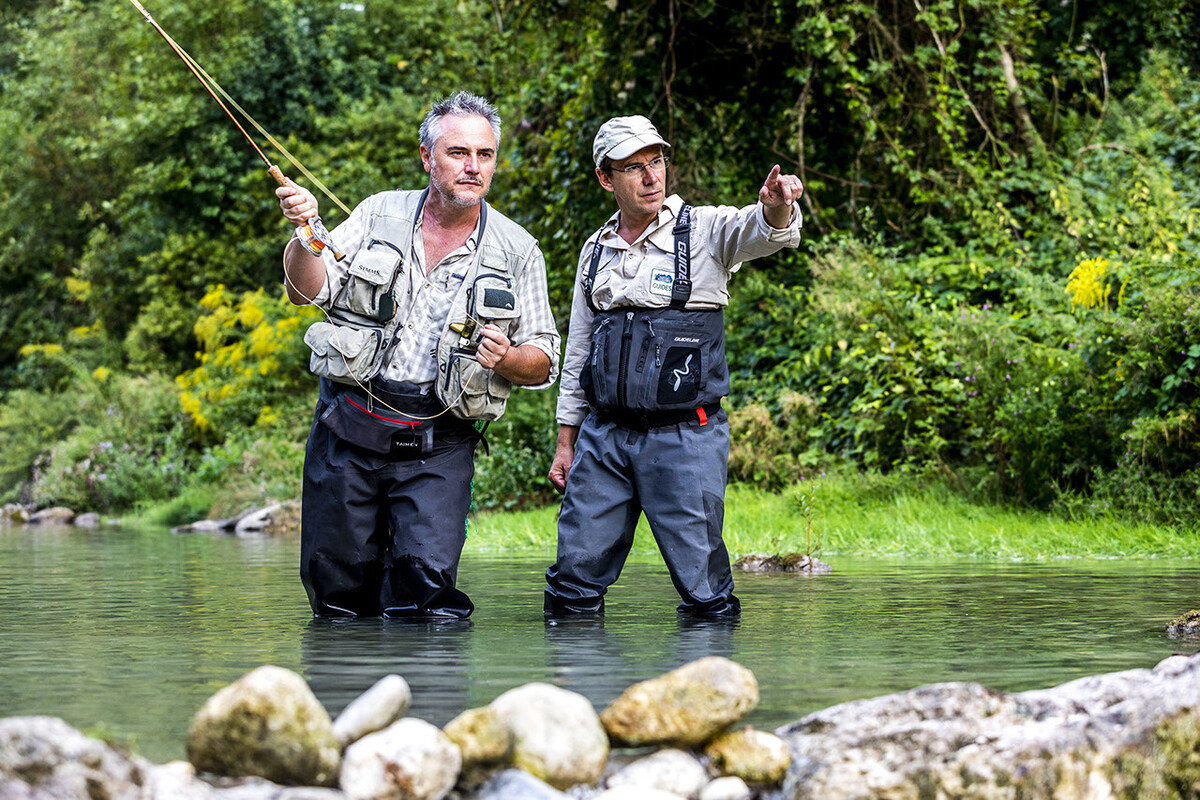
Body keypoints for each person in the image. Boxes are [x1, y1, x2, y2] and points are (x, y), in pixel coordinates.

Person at [276, 91, 560, 619]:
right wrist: (305, 234)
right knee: (337, 599)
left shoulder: (519, 249)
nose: (473, 167)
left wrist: (506, 358)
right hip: (348, 427)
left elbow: (544, 360)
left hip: (440, 443)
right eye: (459, 153)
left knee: (427, 602)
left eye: (485, 155)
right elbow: (304, 290)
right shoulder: (377, 212)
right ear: (428, 157)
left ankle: (421, 675)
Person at [544, 115, 804, 618]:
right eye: (633, 167)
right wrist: (566, 439)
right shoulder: (594, 250)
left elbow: (761, 231)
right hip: (603, 437)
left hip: (686, 437)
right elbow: (579, 350)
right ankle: (576, 668)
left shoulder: (705, 229)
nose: (651, 176)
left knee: (705, 593)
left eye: (657, 161)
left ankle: (712, 666)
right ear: (605, 178)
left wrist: (775, 207)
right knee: (572, 584)